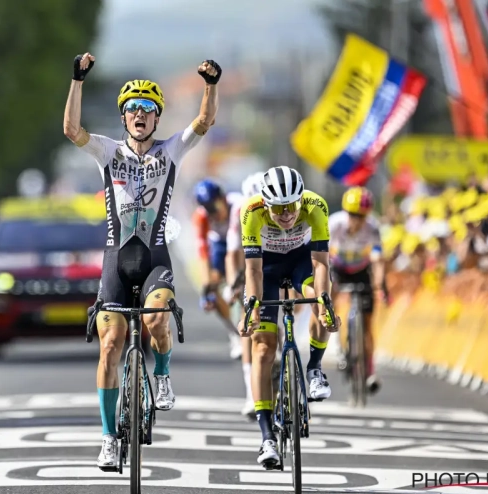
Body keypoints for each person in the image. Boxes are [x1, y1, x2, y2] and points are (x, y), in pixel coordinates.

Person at [62, 52, 221, 471]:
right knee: (110, 346)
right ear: (124, 117)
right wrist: (77, 80)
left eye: (148, 109)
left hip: (154, 257)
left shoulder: (170, 152)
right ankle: (108, 439)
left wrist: (211, 84)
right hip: (115, 259)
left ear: (156, 118)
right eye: (132, 109)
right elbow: (71, 129)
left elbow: (204, 123)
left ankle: (163, 372)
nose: (139, 114)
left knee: (155, 321)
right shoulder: (108, 153)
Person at [238, 165, 341, 469]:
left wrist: (323, 301)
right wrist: (253, 307)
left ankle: (314, 369)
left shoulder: (315, 205)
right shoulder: (251, 211)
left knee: (320, 301)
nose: (286, 215)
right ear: (266, 204)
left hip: (301, 261)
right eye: (279, 209)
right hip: (266, 267)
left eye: (292, 206)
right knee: (263, 347)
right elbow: (253, 271)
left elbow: (321, 264)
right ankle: (267, 436)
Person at [328, 186, 387, 395]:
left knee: (368, 325)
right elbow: (321, 254)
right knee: (329, 294)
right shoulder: (334, 224)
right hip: (339, 268)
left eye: (361, 216)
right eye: (352, 214)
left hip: (361, 269)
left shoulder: (372, 227)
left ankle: (370, 370)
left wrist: (379, 285)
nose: (356, 220)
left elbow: (378, 259)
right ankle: (334, 340)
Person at [192, 179, 245, 359]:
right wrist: (206, 287)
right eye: (208, 209)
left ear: (222, 198)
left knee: (241, 283)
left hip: (242, 243)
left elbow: (234, 251)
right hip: (220, 245)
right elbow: (203, 253)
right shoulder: (201, 217)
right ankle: (234, 334)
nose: (213, 213)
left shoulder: (238, 205)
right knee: (212, 292)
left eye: (214, 206)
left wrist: (232, 283)